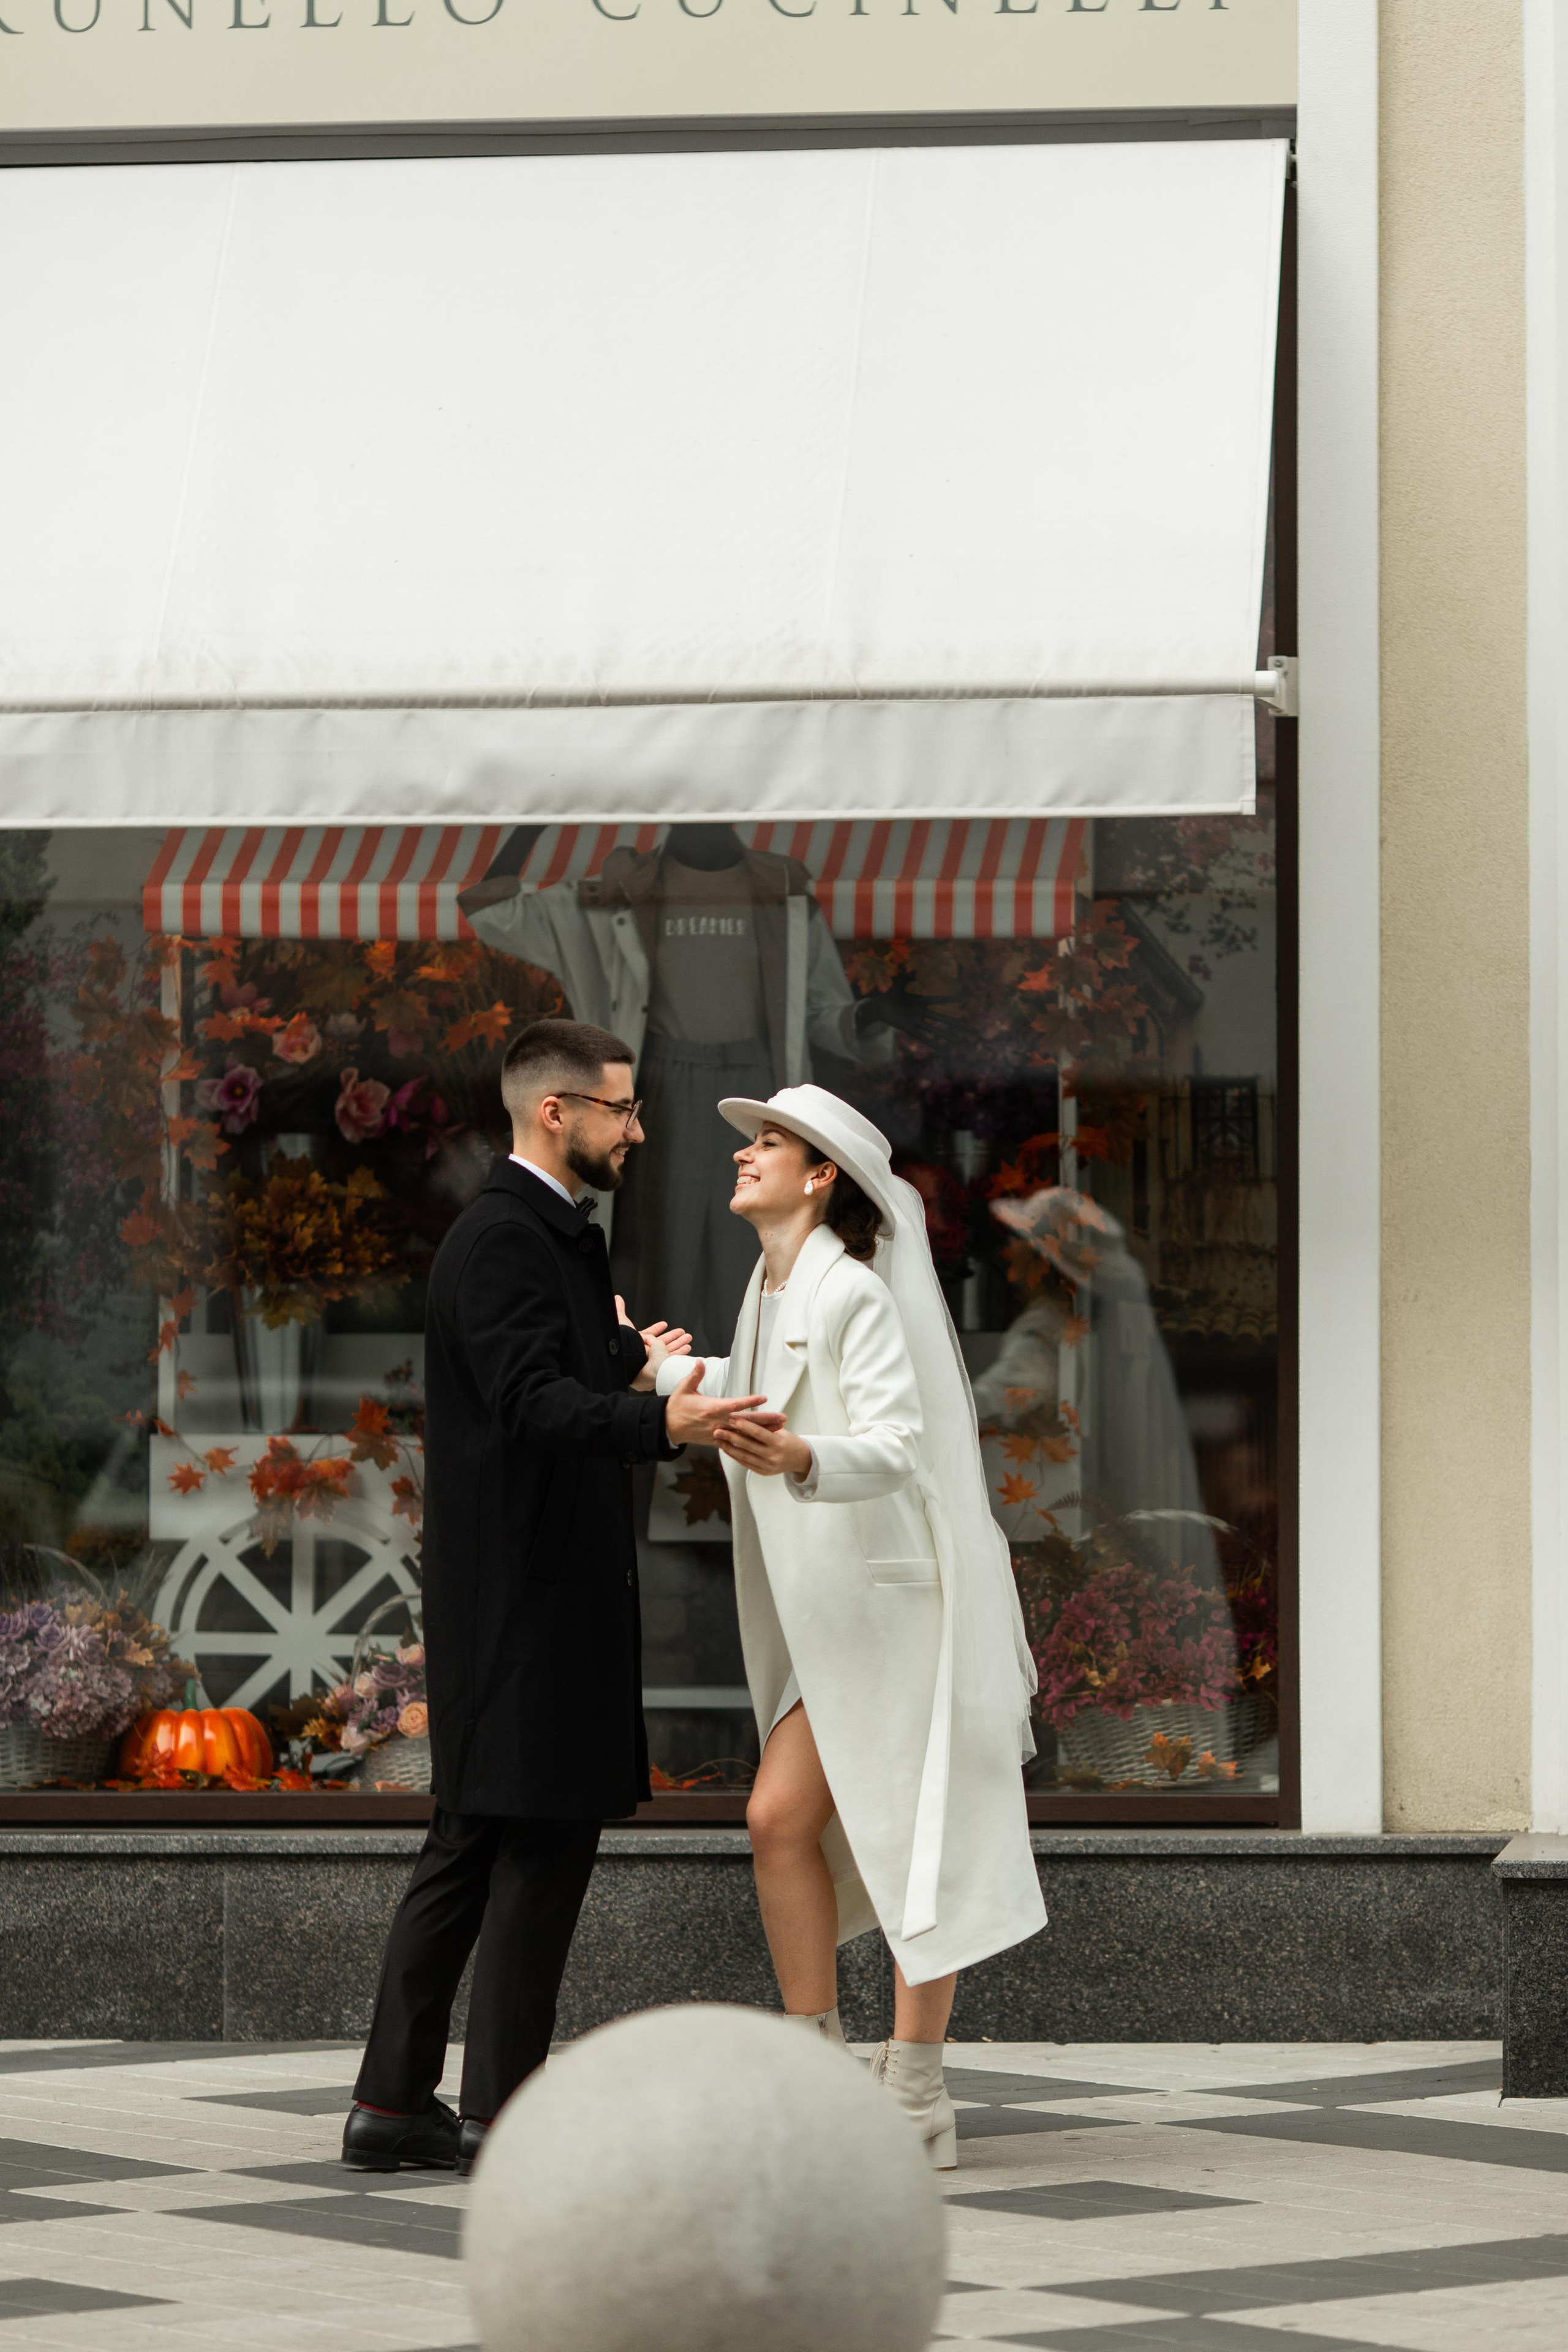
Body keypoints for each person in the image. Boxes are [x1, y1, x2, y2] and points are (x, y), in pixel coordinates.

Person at [342, 1018, 761, 2177]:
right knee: (532, 1844)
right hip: (525, 1598)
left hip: (532, 1588)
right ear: (555, 1113)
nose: (638, 1128)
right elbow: (527, 1406)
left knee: (477, 1839)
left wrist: (624, 1365)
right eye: (621, 1110)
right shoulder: (505, 1241)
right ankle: (498, 2117)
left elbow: (537, 1386)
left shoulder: (545, 1238)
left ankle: (393, 2107)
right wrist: (656, 1415)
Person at [654, 1085, 1046, 2169]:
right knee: (781, 1820)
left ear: (821, 1175)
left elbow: (899, 1439)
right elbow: (760, 1386)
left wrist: (807, 1460)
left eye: (769, 1144)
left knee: (919, 1832)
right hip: (829, 1616)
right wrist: (669, 1375)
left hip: (890, 1611)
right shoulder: (773, 1282)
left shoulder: (855, 1291)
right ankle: (818, 2071)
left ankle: (915, 2091)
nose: (747, 1156)